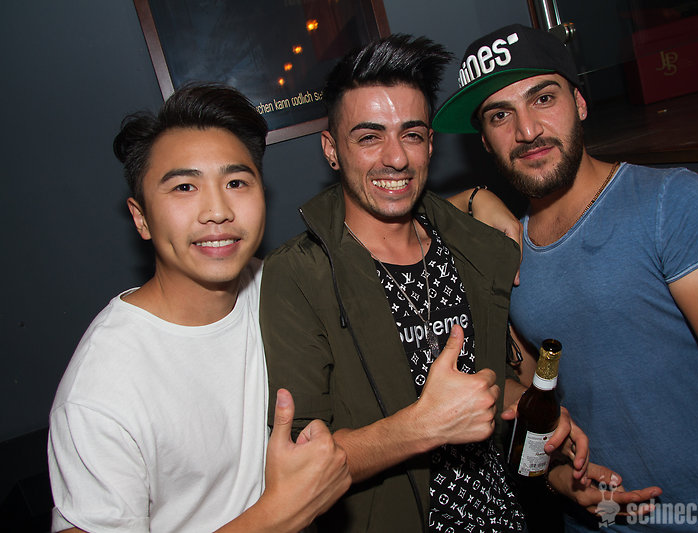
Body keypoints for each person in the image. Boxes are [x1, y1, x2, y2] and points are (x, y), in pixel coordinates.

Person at [260, 33, 648, 533]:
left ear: (430, 144)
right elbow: (302, 463)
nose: (395, 158)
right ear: (332, 149)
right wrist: (422, 427)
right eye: (369, 137)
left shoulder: (470, 246)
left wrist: (549, 458)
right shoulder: (299, 274)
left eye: (412, 135)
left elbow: (485, 385)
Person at [432, 23, 698, 532]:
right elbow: (532, 396)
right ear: (486, 143)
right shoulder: (508, 250)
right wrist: (556, 476)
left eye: (543, 98)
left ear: (580, 103)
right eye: (500, 115)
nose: (527, 130)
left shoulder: (676, 205)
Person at [47, 83, 351, 533]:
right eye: (185, 187)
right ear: (141, 217)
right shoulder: (100, 392)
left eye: (236, 183)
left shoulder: (281, 287)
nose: (217, 210)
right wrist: (278, 515)